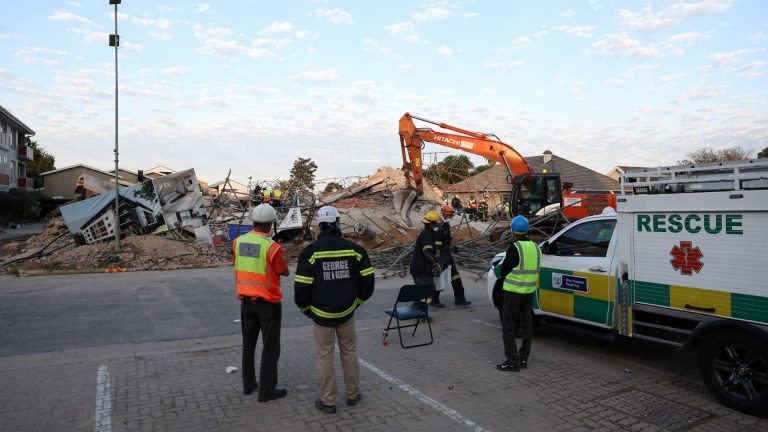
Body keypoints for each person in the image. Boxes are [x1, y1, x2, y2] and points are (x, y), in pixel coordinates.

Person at [294, 206, 375, 414]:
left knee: (324, 356)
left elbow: (301, 288)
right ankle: (353, 395)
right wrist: (356, 303)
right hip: (347, 312)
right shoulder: (355, 249)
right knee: (349, 352)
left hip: (321, 315)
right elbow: (368, 284)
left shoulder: (310, 252)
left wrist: (307, 309)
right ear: (338, 223)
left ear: (319, 226)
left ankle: (328, 401)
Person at [233, 203, 290, 401]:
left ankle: (248, 385)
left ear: (254, 221)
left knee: (248, 345)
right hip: (268, 304)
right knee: (270, 347)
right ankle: (266, 391)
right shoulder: (271, 247)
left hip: (245, 302)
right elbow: (284, 271)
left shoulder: (238, 241)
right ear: (271, 224)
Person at [494, 215, 542, 372]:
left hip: (512, 293)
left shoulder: (515, 248)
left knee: (508, 326)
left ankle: (512, 360)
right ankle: (523, 359)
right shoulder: (536, 247)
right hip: (528, 293)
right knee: (527, 326)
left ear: (513, 231)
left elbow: (505, 270)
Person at [438, 205, 471, 306]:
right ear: (443, 213)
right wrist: (437, 258)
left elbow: (448, 238)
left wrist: (453, 246)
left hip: (447, 254)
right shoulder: (438, 225)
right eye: (449, 215)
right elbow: (437, 243)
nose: (451, 217)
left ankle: (460, 299)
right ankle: (433, 299)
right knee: (439, 278)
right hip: (441, 256)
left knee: (455, 276)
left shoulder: (445, 225)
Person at [410, 210, 443, 309]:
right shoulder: (427, 234)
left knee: (429, 291)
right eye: (437, 222)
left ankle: (419, 311)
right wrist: (434, 264)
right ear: (433, 223)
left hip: (422, 269)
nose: (438, 224)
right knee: (426, 292)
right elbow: (428, 252)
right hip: (421, 270)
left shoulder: (429, 232)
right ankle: (417, 311)